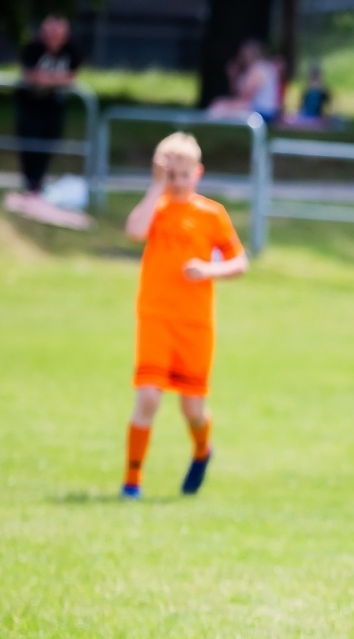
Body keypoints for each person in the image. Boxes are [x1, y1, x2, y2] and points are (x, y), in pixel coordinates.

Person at [120, 132, 248, 499]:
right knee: (148, 398)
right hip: (155, 317)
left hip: (194, 324)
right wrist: (154, 188)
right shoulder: (155, 208)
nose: (176, 183)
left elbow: (240, 262)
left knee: (192, 408)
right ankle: (132, 482)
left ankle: (202, 450)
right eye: (169, 175)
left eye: (183, 175)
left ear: (198, 173)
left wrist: (209, 270)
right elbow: (133, 232)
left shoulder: (212, 213)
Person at [15, 14, 81, 197]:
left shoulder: (71, 50)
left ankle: (38, 184)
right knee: (29, 144)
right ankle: (31, 184)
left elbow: (72, 76)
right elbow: (32, 76)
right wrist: (57, 80)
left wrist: (48, 80)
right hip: (30, 106)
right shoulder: (33, 48)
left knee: (49, 143)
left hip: (54, 108)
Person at [206, 40, 281, 123]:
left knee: (218, 106)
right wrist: (233, 77)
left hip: (261, 112)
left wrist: (228, 105)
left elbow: (245, 97)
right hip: (257, 109)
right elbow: (237, 95)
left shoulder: (259, 69)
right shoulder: (254, 69)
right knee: (219, 104)